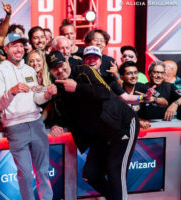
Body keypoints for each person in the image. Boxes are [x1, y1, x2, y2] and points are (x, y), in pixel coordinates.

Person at [47, 50, 139, 200]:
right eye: (54, 68)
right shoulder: (58, 88)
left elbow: (105, 92)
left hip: (122, 125)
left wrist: (78, 87)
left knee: (114, 171)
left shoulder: (83, 71)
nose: (59, 70)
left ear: (67, 61)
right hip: (101, 135)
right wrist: (56, 124)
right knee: (90, 174)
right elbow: (63, 115)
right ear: (50, 71)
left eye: (61, 65)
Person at [0, 33, 56, 200]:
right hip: (15, 127)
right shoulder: (0, 71)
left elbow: (36, 98)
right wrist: (11, 91)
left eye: (21, 45)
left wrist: (47, 95)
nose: (19, 49)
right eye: (14, 45)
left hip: (36, 124)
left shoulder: (29, 70)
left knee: (43, 171)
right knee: (26, 174)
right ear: (6, 49)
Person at [119, 61, 163, 129]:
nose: (134, 76)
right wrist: (137, 120)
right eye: (129, 73)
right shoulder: (117, 89)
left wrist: (154, 99)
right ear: (121, 77)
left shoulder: (143, 87)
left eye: (136, 72)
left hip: (143, 131)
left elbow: (164, 102)